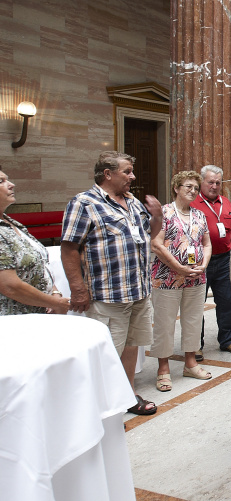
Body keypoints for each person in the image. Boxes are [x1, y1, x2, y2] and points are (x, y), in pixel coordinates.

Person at [61, 151, 163, 415]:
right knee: (105, 356)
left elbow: (147, 235)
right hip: (108, 295)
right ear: (108, 174)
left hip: (138, 291)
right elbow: (70, 248)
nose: (133, 176)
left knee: (132, 347)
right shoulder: (84, 203)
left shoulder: (132, 201)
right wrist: (78, 288)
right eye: (127, 171)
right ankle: (99, 410)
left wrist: (158, 217)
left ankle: (127, 395)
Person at [150, 171, 213, 392]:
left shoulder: (199, 215)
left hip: (196, 277)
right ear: (176, 188)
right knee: (165, 323)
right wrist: (179, 268)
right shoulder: (164, 213)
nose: (193, 191)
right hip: (167, 278)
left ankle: (190, 363)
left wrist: (203, 264)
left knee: (194, 320)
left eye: (196, 188)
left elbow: (206, 244)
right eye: (188, 186)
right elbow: (157, 245)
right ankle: (163, 369)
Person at [0, 168, 71, 315]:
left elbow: (40, 264)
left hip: (37, 312)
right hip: (12, 319)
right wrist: (55, 303)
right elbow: (9, 285)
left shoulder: (11, 222)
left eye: (7, 179)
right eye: (1, 181)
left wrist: (54, 292)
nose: (11, 184)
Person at [192, 164, 231, 359]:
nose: (214, 186)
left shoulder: (226, 202)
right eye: (210, 182)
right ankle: (196, 344)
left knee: (226, 301)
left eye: (218, 183)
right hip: (200, 262)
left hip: (225, 260)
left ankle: (227, 339)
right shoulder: (193, 203)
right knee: (197, 304)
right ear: (201, 183)